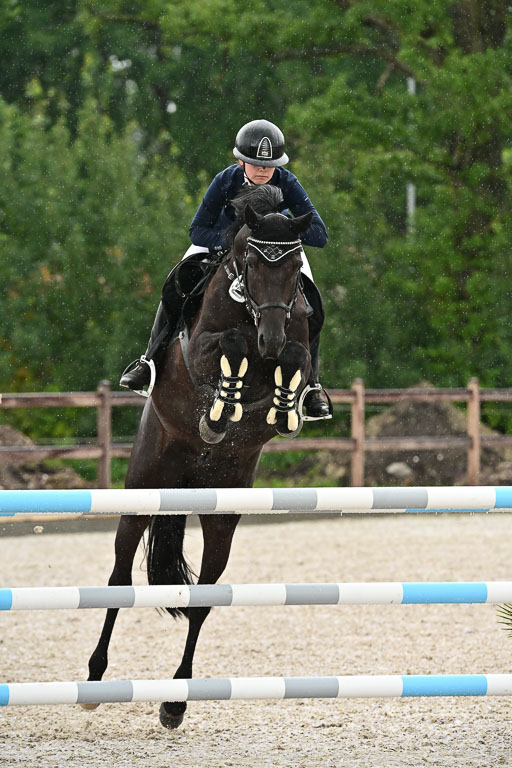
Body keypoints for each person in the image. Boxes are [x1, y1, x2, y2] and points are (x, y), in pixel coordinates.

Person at [120, 119, 330, 418]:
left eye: (269, 165)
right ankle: (149, 360)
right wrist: (233, 242)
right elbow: (197, 230)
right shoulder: (225, 180)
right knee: (174, 285)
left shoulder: (287, 181)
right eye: (255, 163)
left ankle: (311, 387)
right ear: (241, 160)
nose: (262, 170)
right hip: (222, 244)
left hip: (276, 252)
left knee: (312, 300)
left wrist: (282, 230)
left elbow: (319, 235)